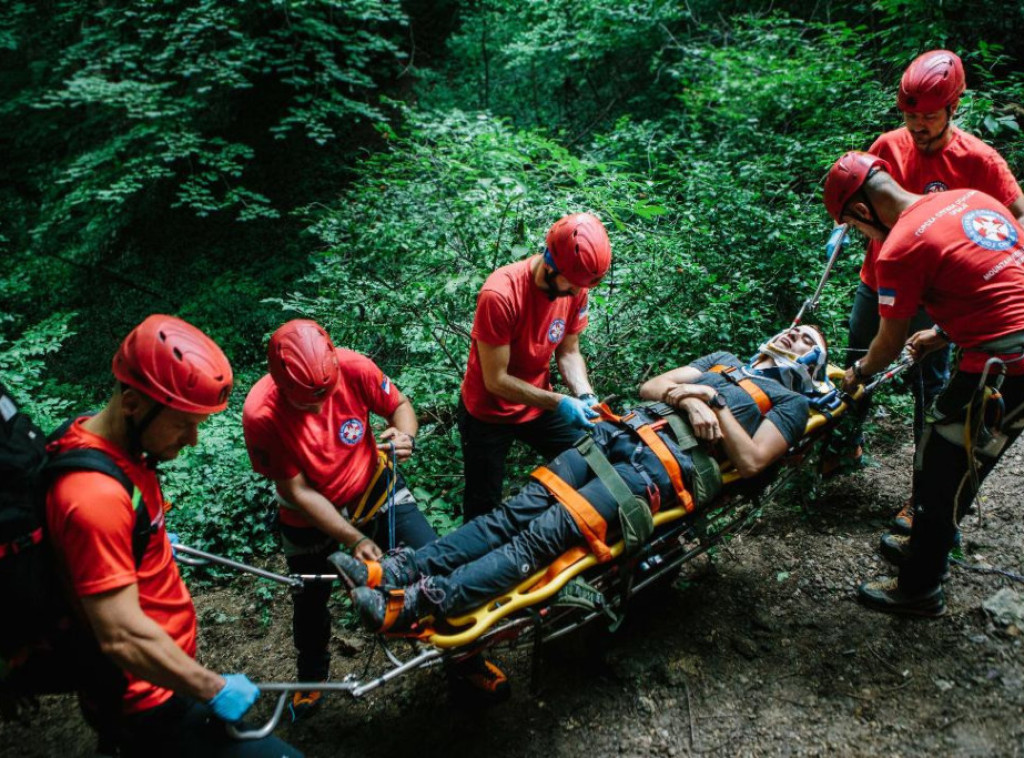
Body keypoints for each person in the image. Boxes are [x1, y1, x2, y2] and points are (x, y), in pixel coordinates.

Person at [332, 326, 829, 631]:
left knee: (535, 542)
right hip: (613, 438)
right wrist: (693, 396)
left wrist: (714, 408)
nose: (794, 336)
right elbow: (652, 386)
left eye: (808, 340)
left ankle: (418, 602)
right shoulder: (722, 362)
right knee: (509, 515)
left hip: (649, 473)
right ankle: (399, 571)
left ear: (811, 367)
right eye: (795, 330)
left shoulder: (790, 401)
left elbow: (753, 462)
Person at [45, 314, 301, 756]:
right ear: (132, 403)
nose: (195, 439)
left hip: (164, 676)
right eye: (184, 424)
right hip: (149, 700)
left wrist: (149, 543)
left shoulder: (111, 446)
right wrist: (211, 688)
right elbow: (121, 636)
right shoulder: (94, 496)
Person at [824, 150, 1024, 617]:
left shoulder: (898, 249)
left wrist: (857, 375)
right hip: (1008, 354)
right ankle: (931, 545)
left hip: (1005, 365)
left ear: (859, 210)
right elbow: (993, 281)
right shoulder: (970, 198)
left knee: (938, 464)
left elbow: (886, 345)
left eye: (856, 228)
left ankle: (919, 587)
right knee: (961, 457)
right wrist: (942, 334)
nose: (863, 237)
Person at [842, 50, 1024, 533]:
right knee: (858, 356)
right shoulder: (889, 145)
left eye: (928, 116)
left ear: (952, 109)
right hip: (881, 280)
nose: (917, 126)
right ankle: (844, 445)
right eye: (909, 115)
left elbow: (1015, 215)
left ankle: (921, 497)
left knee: (933, 386)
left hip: (941, 295)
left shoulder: (979, 160)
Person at [242, 318, 440, 716]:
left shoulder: (353, 368)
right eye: (304, 401)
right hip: (307, 515)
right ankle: (311, 678)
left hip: (373, 488)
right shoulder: (261, 413)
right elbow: (296, 491)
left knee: (433, 558)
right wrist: (353, 538)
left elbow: (399, 406)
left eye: (323, 394)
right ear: (281, 385)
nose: (317, 406)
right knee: (310, 599)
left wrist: (405, 435)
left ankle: (462, 656)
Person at [458, 212, 612, 520]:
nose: (576, 292)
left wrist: (583, 394)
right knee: (482, 506)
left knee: (596, 460)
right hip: (487, 413)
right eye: (572, 285)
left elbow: (569, 352)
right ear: (551, 264)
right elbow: (496, 381)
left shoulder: (576, 285)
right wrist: (559, 402)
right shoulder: (500, 294)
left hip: (538, 402)